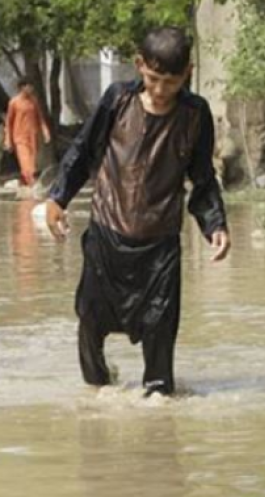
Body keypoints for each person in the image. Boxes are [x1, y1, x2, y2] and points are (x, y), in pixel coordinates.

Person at [45, 26, 231, 396]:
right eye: (154, 79)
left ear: (188, 73)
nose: (162, 90)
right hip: (107, 234)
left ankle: (159, 403)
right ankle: (96, 392)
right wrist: (57, 199)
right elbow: (83, 151)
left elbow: (202, 176)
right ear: (139, 66)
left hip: (160, 244)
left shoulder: (195, 115)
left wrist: (215, 224)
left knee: (160, 329)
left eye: (172, 82)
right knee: (91, 320)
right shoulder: (118, 100)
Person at [4, 78, 51, 188]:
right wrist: (8, 140)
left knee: (32, 162)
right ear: (22, 87)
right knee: (27, 162)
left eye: (32, 86)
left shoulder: (33, 101)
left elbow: (40, 118)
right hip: (20, 137)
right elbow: (8, 122)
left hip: (33, 137)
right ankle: (33, 184)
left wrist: (45, 131)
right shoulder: (14, 102)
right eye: (29, 86)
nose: (31, 89)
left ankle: (25, 185)